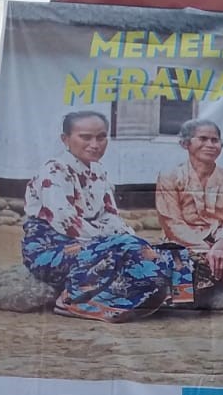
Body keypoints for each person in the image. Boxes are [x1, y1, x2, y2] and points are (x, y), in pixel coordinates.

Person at [22, 111, 191, 322]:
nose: (95, 144)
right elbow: (66, 222)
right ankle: (73, 300)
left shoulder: (99, 172)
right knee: (127, 247)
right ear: (65, 139)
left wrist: (140, 243)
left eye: (101, 137)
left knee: (171, 251)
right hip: (52, 249)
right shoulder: (54, 170)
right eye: (85, 137)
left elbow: (111, 217)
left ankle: (161, 298)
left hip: (93, 245)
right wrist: (119, 242)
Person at [155, 120, 223, 304]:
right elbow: (172, 223)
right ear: (185, 143)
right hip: (183, 243)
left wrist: (220, 247)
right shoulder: (170, 176)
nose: (210, 145)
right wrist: (208, 250)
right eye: (203, 139)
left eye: (215, 140)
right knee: (177, 263)